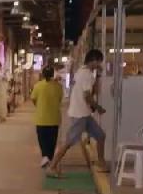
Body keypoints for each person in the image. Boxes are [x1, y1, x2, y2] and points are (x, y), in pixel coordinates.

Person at [47, 49, 108, 177]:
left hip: (84, 114)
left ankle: (101, 162)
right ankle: (52, 167)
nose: (100, 64)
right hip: (80, 115)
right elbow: (88, 96)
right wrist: (98, 108)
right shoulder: (86, 74)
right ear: (93, 60)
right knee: (68, 142)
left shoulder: (82, 72)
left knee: (100, 136)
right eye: (99, 61)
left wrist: (98, 75)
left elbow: (93, 91)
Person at [31, 66, 64, 167]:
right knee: (52, 141)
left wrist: (39, 105)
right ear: (53, 74)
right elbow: (60, 99)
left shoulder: (38, 86)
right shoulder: (58, 86)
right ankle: (49, 158)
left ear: (43, 74)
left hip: (41, 118)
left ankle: (45, 157)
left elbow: (33, 99)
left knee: (42, 140)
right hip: (54, 118)